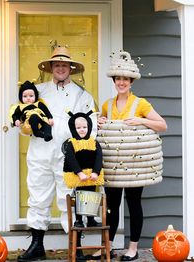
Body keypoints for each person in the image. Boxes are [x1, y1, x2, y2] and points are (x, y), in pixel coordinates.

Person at [17, 47, 96, 262]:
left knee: (68, 199)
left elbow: (91, 125)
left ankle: (75, 247)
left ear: (70, 68)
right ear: (51, 67)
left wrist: (82, 153)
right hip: (40, 153)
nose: (60, 68)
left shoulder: (82, 95)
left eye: (64, 65)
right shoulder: (37, 92)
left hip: (68, 157)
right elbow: (23, 114)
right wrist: (22, 124)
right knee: (38, 198)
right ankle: (36, 245)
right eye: (57, 64)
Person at [90, 50, 167, 261]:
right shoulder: (107, 104)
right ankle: (109, 245)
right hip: (113, 164)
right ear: (114, 81)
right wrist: (99, 121)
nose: (121, 82)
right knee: (112, 206)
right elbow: (99, 128)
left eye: (125, 79)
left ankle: (132, 248)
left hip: (135, 166)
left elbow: (162, 125)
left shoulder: (140, 104)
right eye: (118, 79)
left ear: (131, 81)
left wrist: (142, 121)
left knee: (134, 204)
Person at [63, 111, 104, 228]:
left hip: (91, 176)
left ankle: (91, 219)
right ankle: (79, 220)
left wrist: (96, 172)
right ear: (73, 128)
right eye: (78, 127)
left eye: (85, 127)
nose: (82, 130)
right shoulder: (71, 144)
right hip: (79, 177)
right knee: (79, 197)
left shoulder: (94, 143)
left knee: (91, 196)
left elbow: (98, 158)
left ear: (89, 127)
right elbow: (71, 159)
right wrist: (79, 173)